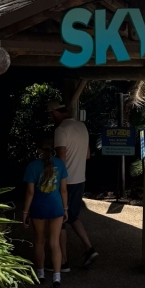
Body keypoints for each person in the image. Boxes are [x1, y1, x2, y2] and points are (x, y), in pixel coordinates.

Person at [46, 99, 99, 270]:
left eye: (50, 114)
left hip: (65, 182)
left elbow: (61, 157)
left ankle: (63, 261)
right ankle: (89, 248)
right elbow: (87, 156)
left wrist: (51, 177)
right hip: (80, 179)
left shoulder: (61, 130)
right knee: (73, 216)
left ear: (55, 113)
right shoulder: (81, 127)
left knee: (58, 219)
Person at [22, 137, 68, 288]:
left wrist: (25, 212)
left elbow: (30, 192)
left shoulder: (32, 166)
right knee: (54, 243)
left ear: (38, 150)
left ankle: (40, 274)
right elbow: (63, 190)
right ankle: (56, 278)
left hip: (38, 207)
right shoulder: (60, 164)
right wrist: (65, 208)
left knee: (40, 241)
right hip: (56, 207)